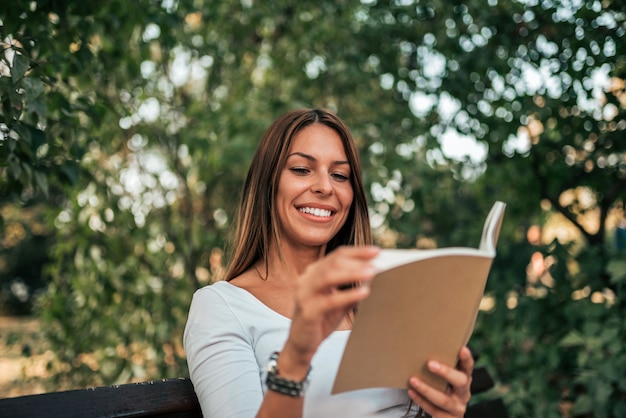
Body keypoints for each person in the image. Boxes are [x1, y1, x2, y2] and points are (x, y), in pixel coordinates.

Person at [183, 108, 474, 418]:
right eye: (301, 169)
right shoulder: (221, 307)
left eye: (340, 175)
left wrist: (447, 413)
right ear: (268, 184)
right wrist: (295, 357)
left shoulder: (381, 300)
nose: (325, 187)